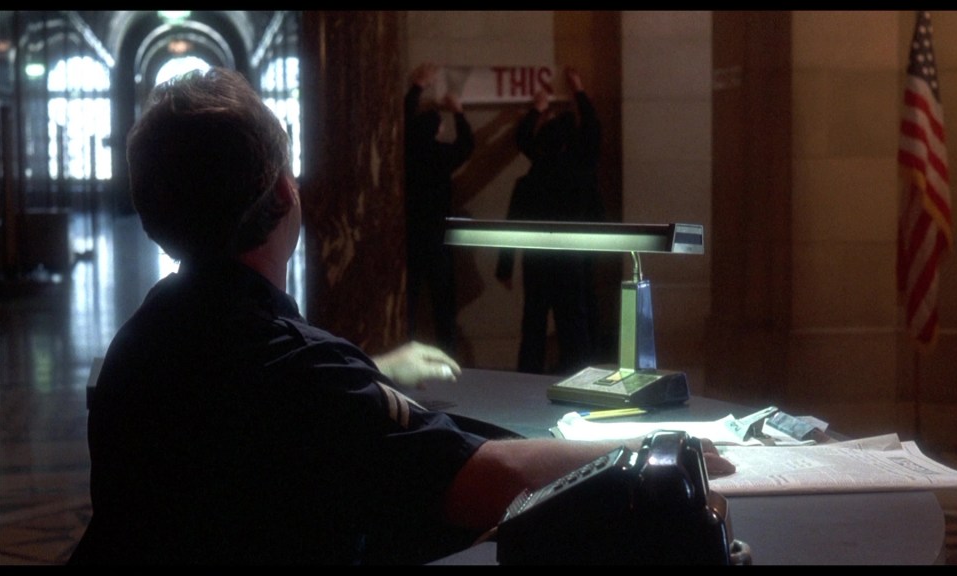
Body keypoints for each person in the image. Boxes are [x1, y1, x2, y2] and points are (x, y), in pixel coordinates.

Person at [67, 67, 733, 565]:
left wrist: (372, 372)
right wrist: (659, 451)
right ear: (284, 190)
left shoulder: (142, 341)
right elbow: (487, 483)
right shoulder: (296, 369)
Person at [496, 66, 605, 376]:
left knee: (533, 324)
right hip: (571, 259)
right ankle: (580, 381)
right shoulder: (580, 173)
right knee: (574, 326)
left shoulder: (531, 179)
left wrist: (536, 110)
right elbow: (594, 130)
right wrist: (579, 92)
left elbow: (510, 225)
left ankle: (526, 381)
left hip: (537, 259)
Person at [404, 62, 475, 355]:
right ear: (435, 130)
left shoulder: (406, 150)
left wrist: (417, 87)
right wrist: (459, 111)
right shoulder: (440, 155)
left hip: (410, 234)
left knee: (408, 300)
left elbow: (405, 119)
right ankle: (448, 353)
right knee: (443, 302)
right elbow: (467, 145)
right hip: (438, 234)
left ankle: (403, 348)